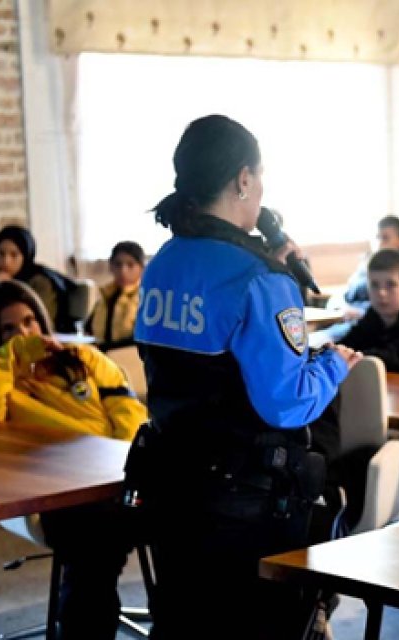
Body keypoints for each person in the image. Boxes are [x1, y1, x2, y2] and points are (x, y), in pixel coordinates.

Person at [127, 114, 361, 639]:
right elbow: (287, 402)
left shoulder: (162, 263)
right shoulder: (260, 280)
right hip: (244, 505)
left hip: (171, 487)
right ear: (242, 180)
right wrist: (332, 365)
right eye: (260, 179)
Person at [0, 280, 145, 639]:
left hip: (114, 478)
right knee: (99, 542)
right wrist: (11, 356)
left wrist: (116, 459)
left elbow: (127, 408)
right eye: (8, 329)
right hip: (56, 496)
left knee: (182, 522)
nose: (24, 333)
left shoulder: (82, 359)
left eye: (29, 323)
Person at [335, 215, 399, 318]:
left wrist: (360, 313)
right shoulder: (368, 264)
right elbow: (349, 293)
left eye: (385, 238)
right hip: (350, 317)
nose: (379, 243)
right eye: (377, 237)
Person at [0, 225, 78, 334]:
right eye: (1, 254)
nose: (6, 261)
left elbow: (40, 321)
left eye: (14, 255)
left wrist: (5, 287)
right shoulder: (1, 280)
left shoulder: (40, 281)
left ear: (26, 256)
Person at [88, 241, 145, 350]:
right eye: (118, 264)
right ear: (111, 266)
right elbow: (89, 330)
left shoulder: (145, 298)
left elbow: (141, 338)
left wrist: (106, 348)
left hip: (129, 359)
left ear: (141, 268)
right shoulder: (104, 297)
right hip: (101, 358)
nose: (123, 271)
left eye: (130, 265)